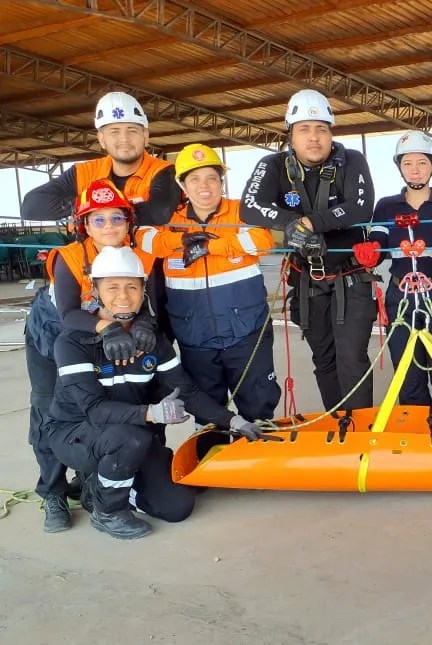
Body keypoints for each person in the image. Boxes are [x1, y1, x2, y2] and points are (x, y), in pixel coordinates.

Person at [46, 246, 264, 539]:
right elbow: (94, 410)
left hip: (131, 435)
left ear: (143, 292)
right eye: (112, 287)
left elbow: (186, 391)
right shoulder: (73, 342)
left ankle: (101, 485)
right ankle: (108, 512)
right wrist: (151, 413)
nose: (123, 296)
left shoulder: (152, 341)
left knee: (177, 507)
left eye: (132, 287)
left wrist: (234, 421)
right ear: (95, 291)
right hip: (76, 433)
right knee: (131, 438)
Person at [24, 179, 158, 533]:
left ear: (128, 222)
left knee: (97, 406)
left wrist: (146, 323)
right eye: (98, 219)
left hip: (96, 343)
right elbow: (69, 313)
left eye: (117, 218)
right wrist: (108, 328)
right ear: (84, 224)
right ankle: (52, 492)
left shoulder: (138, 254)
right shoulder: (69, 257)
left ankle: (89, 481)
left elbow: (146, 298)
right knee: (48, 410)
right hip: (53, 336)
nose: (109, 226)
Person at [137, 144, 280, 453]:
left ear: (221, 182)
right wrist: (183, 240)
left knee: (258, 404)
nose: (204, 186)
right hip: (195, 336)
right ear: (182, 185)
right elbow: (144, 238)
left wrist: (210, 247)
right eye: (195, 179)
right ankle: (211, 463)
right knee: (207, 411)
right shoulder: (168, 219)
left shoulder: (241, 211)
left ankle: (258, 462)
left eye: (212, 178)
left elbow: (262, 240)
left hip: (247, 332)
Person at [240, 89, 377, 411]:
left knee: (351, 359)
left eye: (321, 129)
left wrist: (310, 224)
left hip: (350, 278)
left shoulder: (351, 160)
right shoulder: (273, 165)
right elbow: (250, 206)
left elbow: (360, 207)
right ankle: (337, 422)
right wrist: (290, 223)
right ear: (291, 134)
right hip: (307, 282)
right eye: (304, 129)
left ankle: (360, 428)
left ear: (331, 133)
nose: (313, 137)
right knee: (324, 358)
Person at [367, 131, 432, 406]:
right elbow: (378, 244)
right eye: (407, 163)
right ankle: (415, 430)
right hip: (400, 298)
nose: (415, 170)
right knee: (408, 377)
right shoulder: (386, 207)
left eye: (422, 163)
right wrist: (370, 253)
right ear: (399, 167)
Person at [20, 91, 179, 227]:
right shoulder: (84, 173)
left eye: (132, 130)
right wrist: (86, 202)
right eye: (114, 131)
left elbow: (159, 212)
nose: (124, 139)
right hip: (92, 254)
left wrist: (97, 210)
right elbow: (31, 206)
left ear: (145, 136)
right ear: (102, 139)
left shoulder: (165, 172)